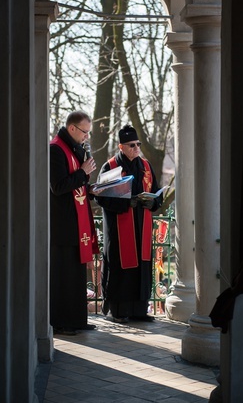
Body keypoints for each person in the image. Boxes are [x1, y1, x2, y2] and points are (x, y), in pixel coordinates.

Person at [95, 124, 163, 323]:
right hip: (119, 228)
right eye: (131, 145)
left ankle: (139, 310)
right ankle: (118, 311)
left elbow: (158, 194)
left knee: (141, 267)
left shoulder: (147, 166)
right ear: (121, 146)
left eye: (138, 144)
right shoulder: (110, 167)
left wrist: (154, 202)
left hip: (142, 225)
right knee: (120, 267)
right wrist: (126, 202)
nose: (136, 148)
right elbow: (100, 197)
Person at [50, 110, 99, 335]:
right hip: (63, 225)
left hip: (77, 225)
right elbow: (58, 187)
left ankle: (78, 319)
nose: (86, 137)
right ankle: (62, 322)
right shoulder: (56, 149)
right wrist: (82, 172)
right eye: (84, 132)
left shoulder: (74, 149)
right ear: (72, 129)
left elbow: (77, 184)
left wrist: (93, 187)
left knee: (77, 276)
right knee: (64, 276)